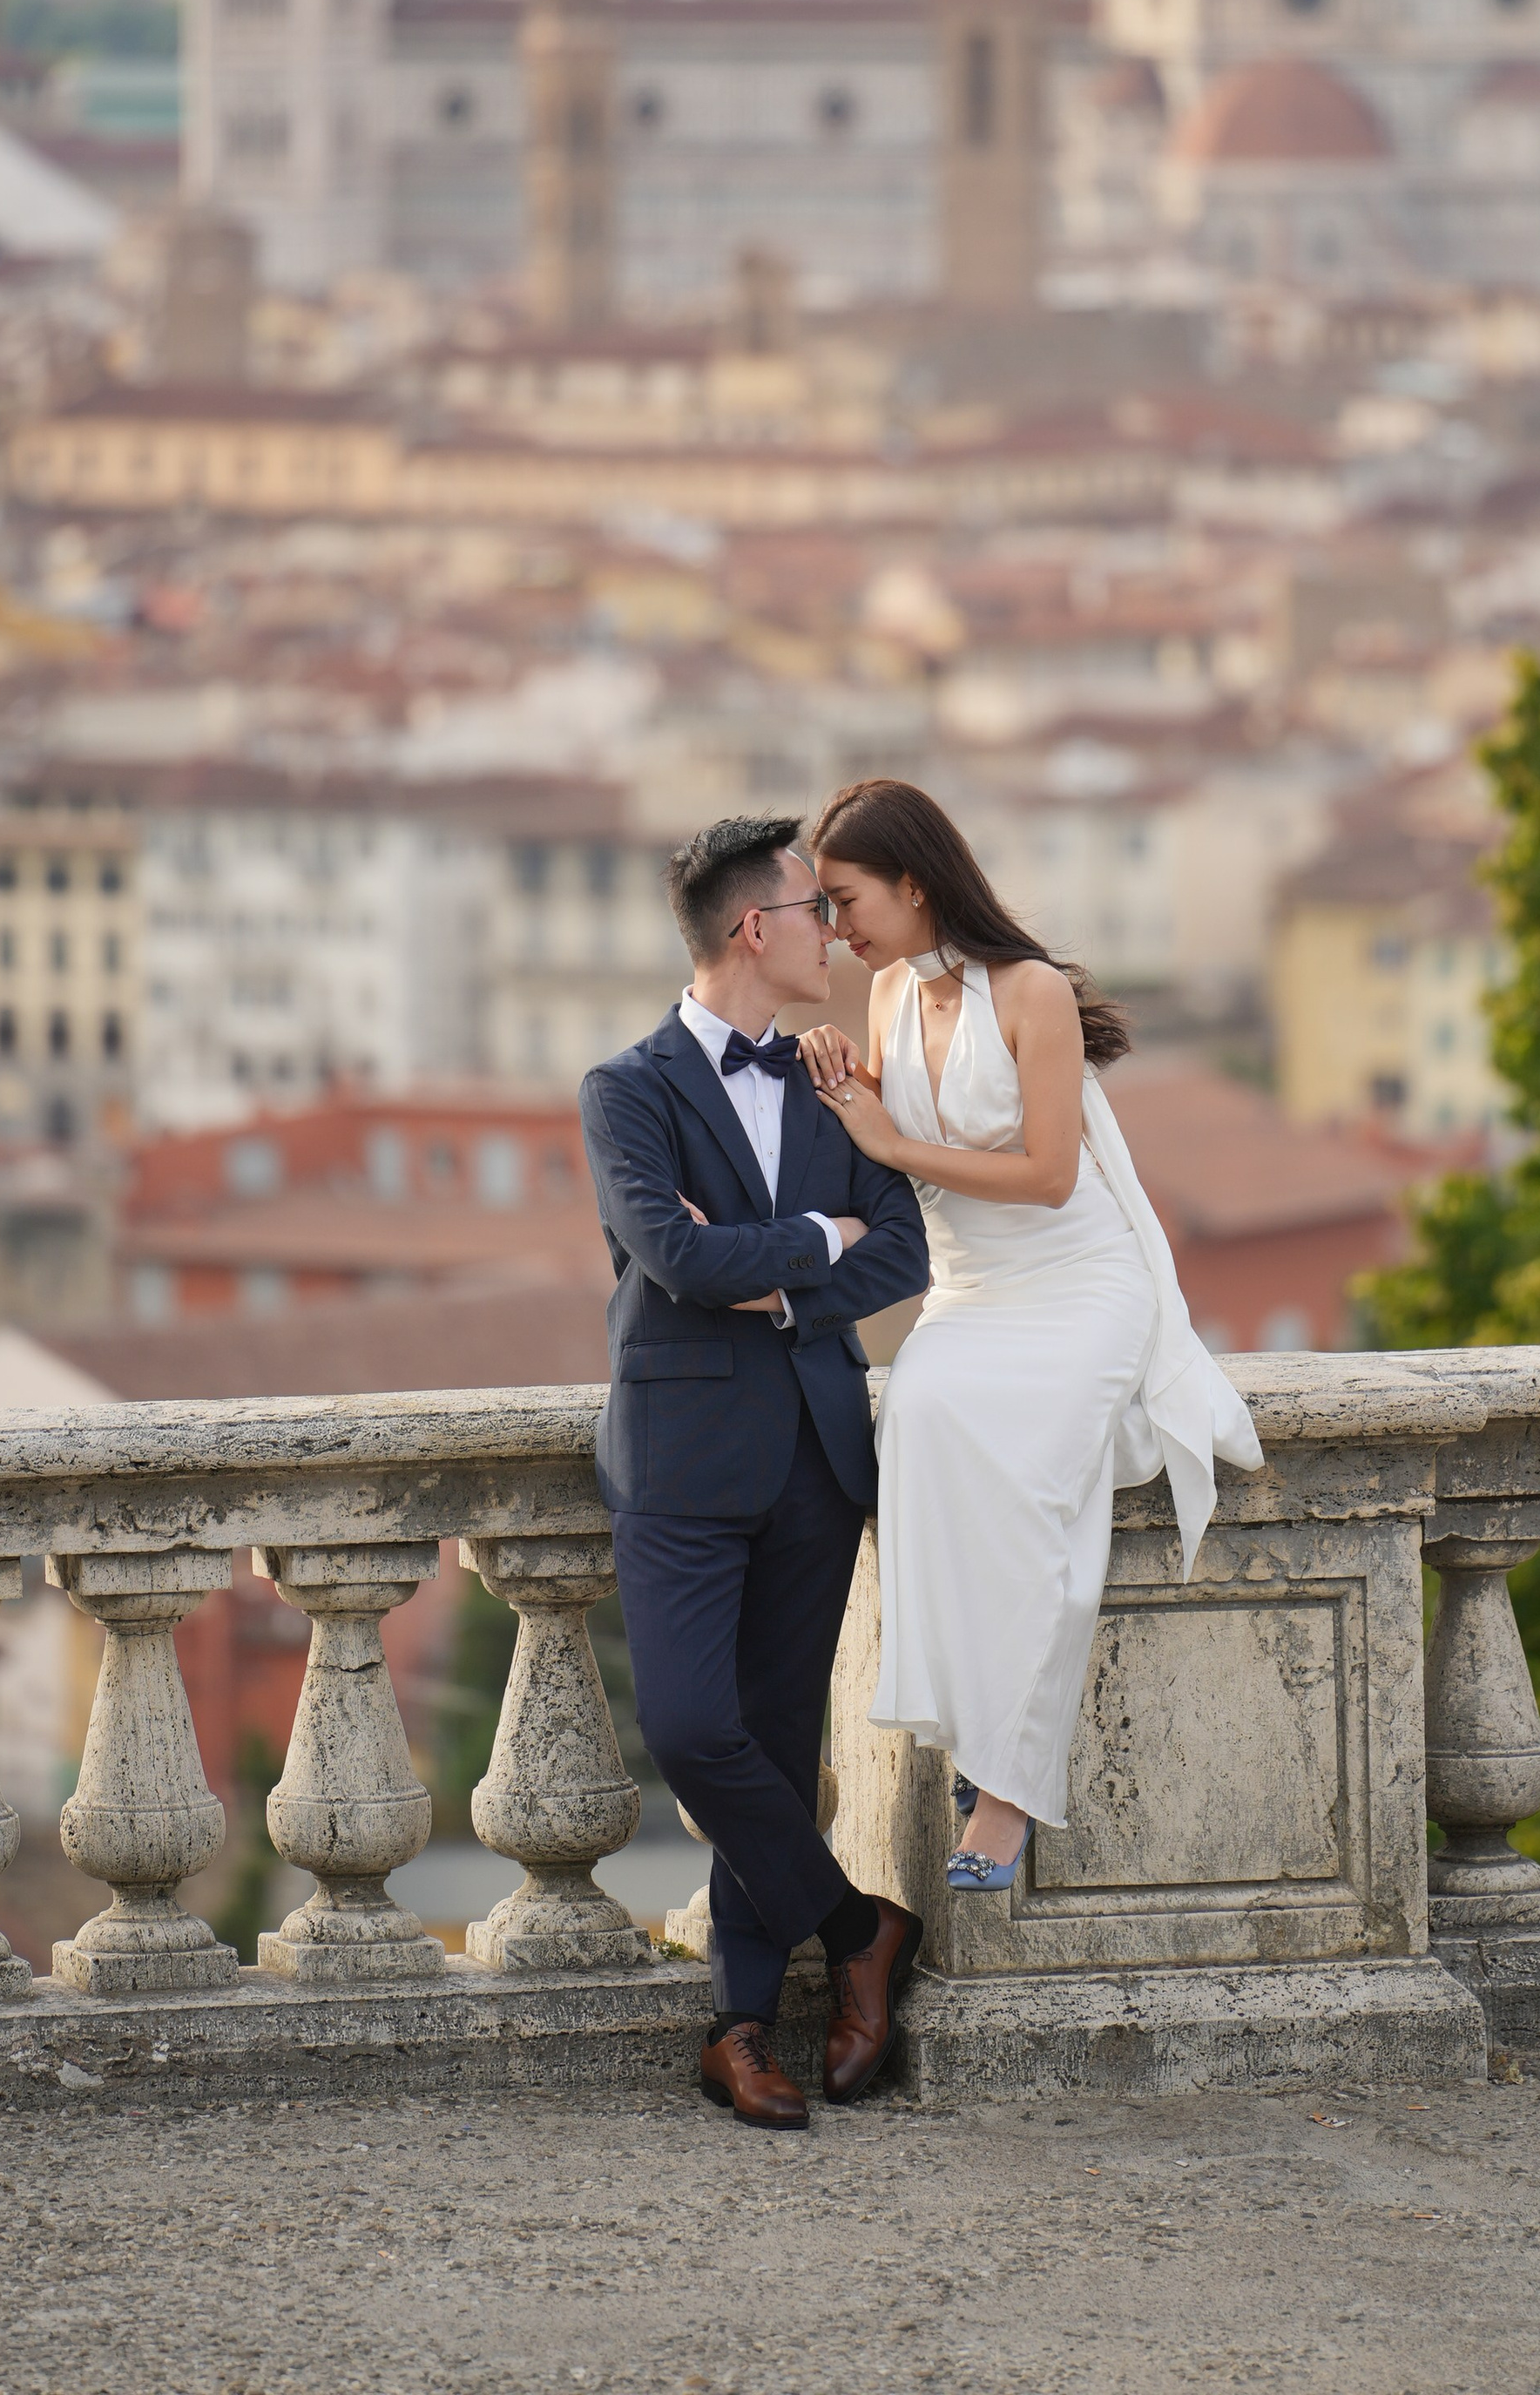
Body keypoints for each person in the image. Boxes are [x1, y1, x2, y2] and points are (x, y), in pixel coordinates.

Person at [801, 777, 1263, 1891]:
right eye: (819, 906)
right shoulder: (888, 1002)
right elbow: (889, 1144)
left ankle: (1006, 1797)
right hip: (969, 1292)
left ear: (914, 883)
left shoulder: (1032, 993)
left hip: (1075, 1286)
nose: (835, 928)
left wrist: (890, 1141)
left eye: (845, 899)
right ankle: (974, 1726)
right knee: (915, 1420)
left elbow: (1050, 1177)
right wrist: (842, 1093)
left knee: (1045, 1502)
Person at [578, 814, 931, 2131]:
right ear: (753, 930)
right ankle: (859, 1927)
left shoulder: (841, 1077)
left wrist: (780, 1271)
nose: (832, 933)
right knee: (686, 1731)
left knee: (779, 1749)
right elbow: (675, 1260)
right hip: (677, 1458)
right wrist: (814, 1243)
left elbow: (899, 1250)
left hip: (816, 1456)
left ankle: (740, 2026)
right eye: (813, 911)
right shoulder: (626, 1090)